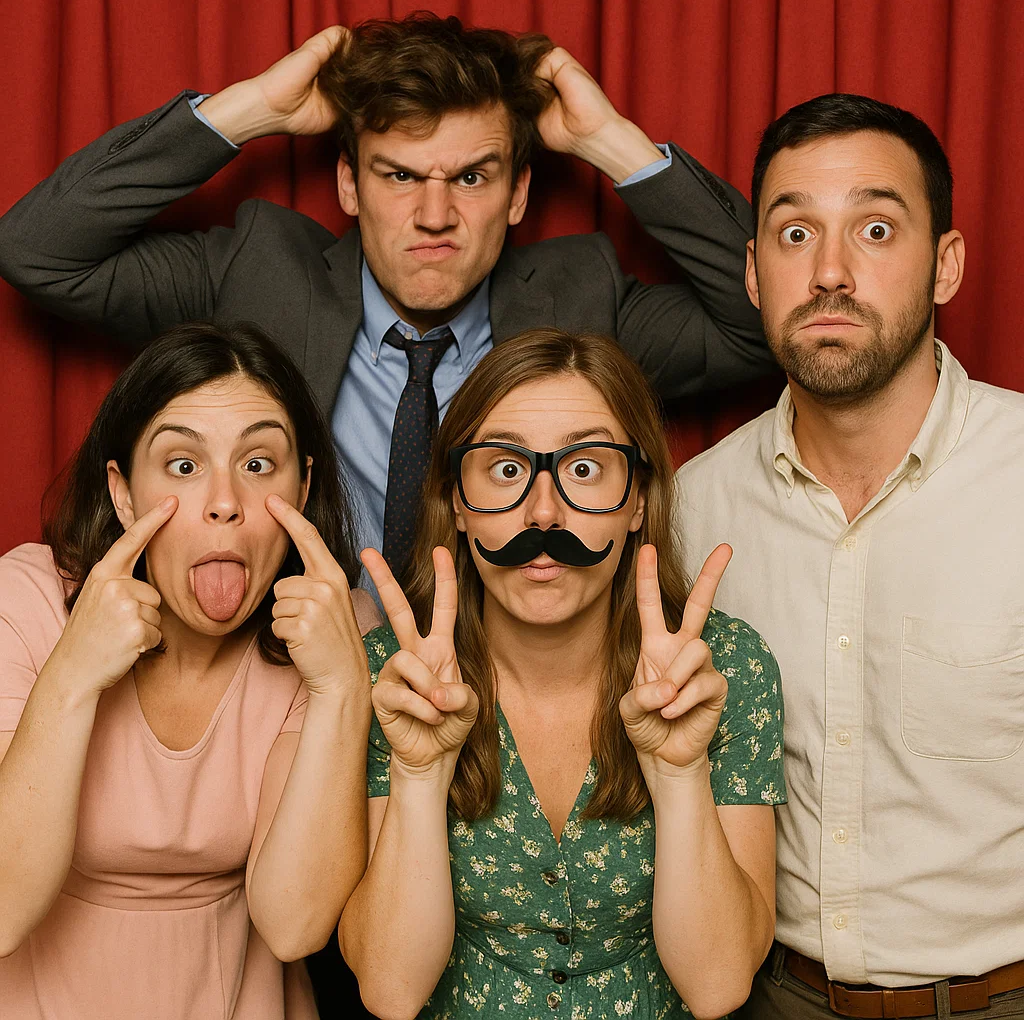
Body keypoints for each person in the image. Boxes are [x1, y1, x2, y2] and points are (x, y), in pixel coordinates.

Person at [0, 11, 776, 583]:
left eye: (470, 177)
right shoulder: (260, 271)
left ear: (517, 194)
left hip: (496, 698)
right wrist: (249, 111)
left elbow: (772, 316)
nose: (435, 215)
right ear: (349, 183)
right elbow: (38, 250)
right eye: (400, 175)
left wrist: (611, 143)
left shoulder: (581, 300)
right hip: (289, 684)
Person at [675, 93, 1024, 1019]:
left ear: (946, 264)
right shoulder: (695, 507)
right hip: (772, 996)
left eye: (875, 230)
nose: (830, 272)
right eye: (795, 235)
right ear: (753, 274)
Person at [338, 327, 786, 1020]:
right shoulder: (391, 679)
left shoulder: (723, 669)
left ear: (638, 501)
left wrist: (680, 774)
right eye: (505, 470)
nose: (542, 512)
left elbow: (718, 985)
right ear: (456, 502)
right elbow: (391, 991)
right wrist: (420, 775)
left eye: (584, 469)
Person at [0, 320, 378, 1020]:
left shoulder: (336, 633)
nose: (225, 500)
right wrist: (72, 676)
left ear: (302, 490)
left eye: (258, 464)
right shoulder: (24, 599)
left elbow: (294, 925)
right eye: (182, 465)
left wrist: (340, 688)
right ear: (123, 494)